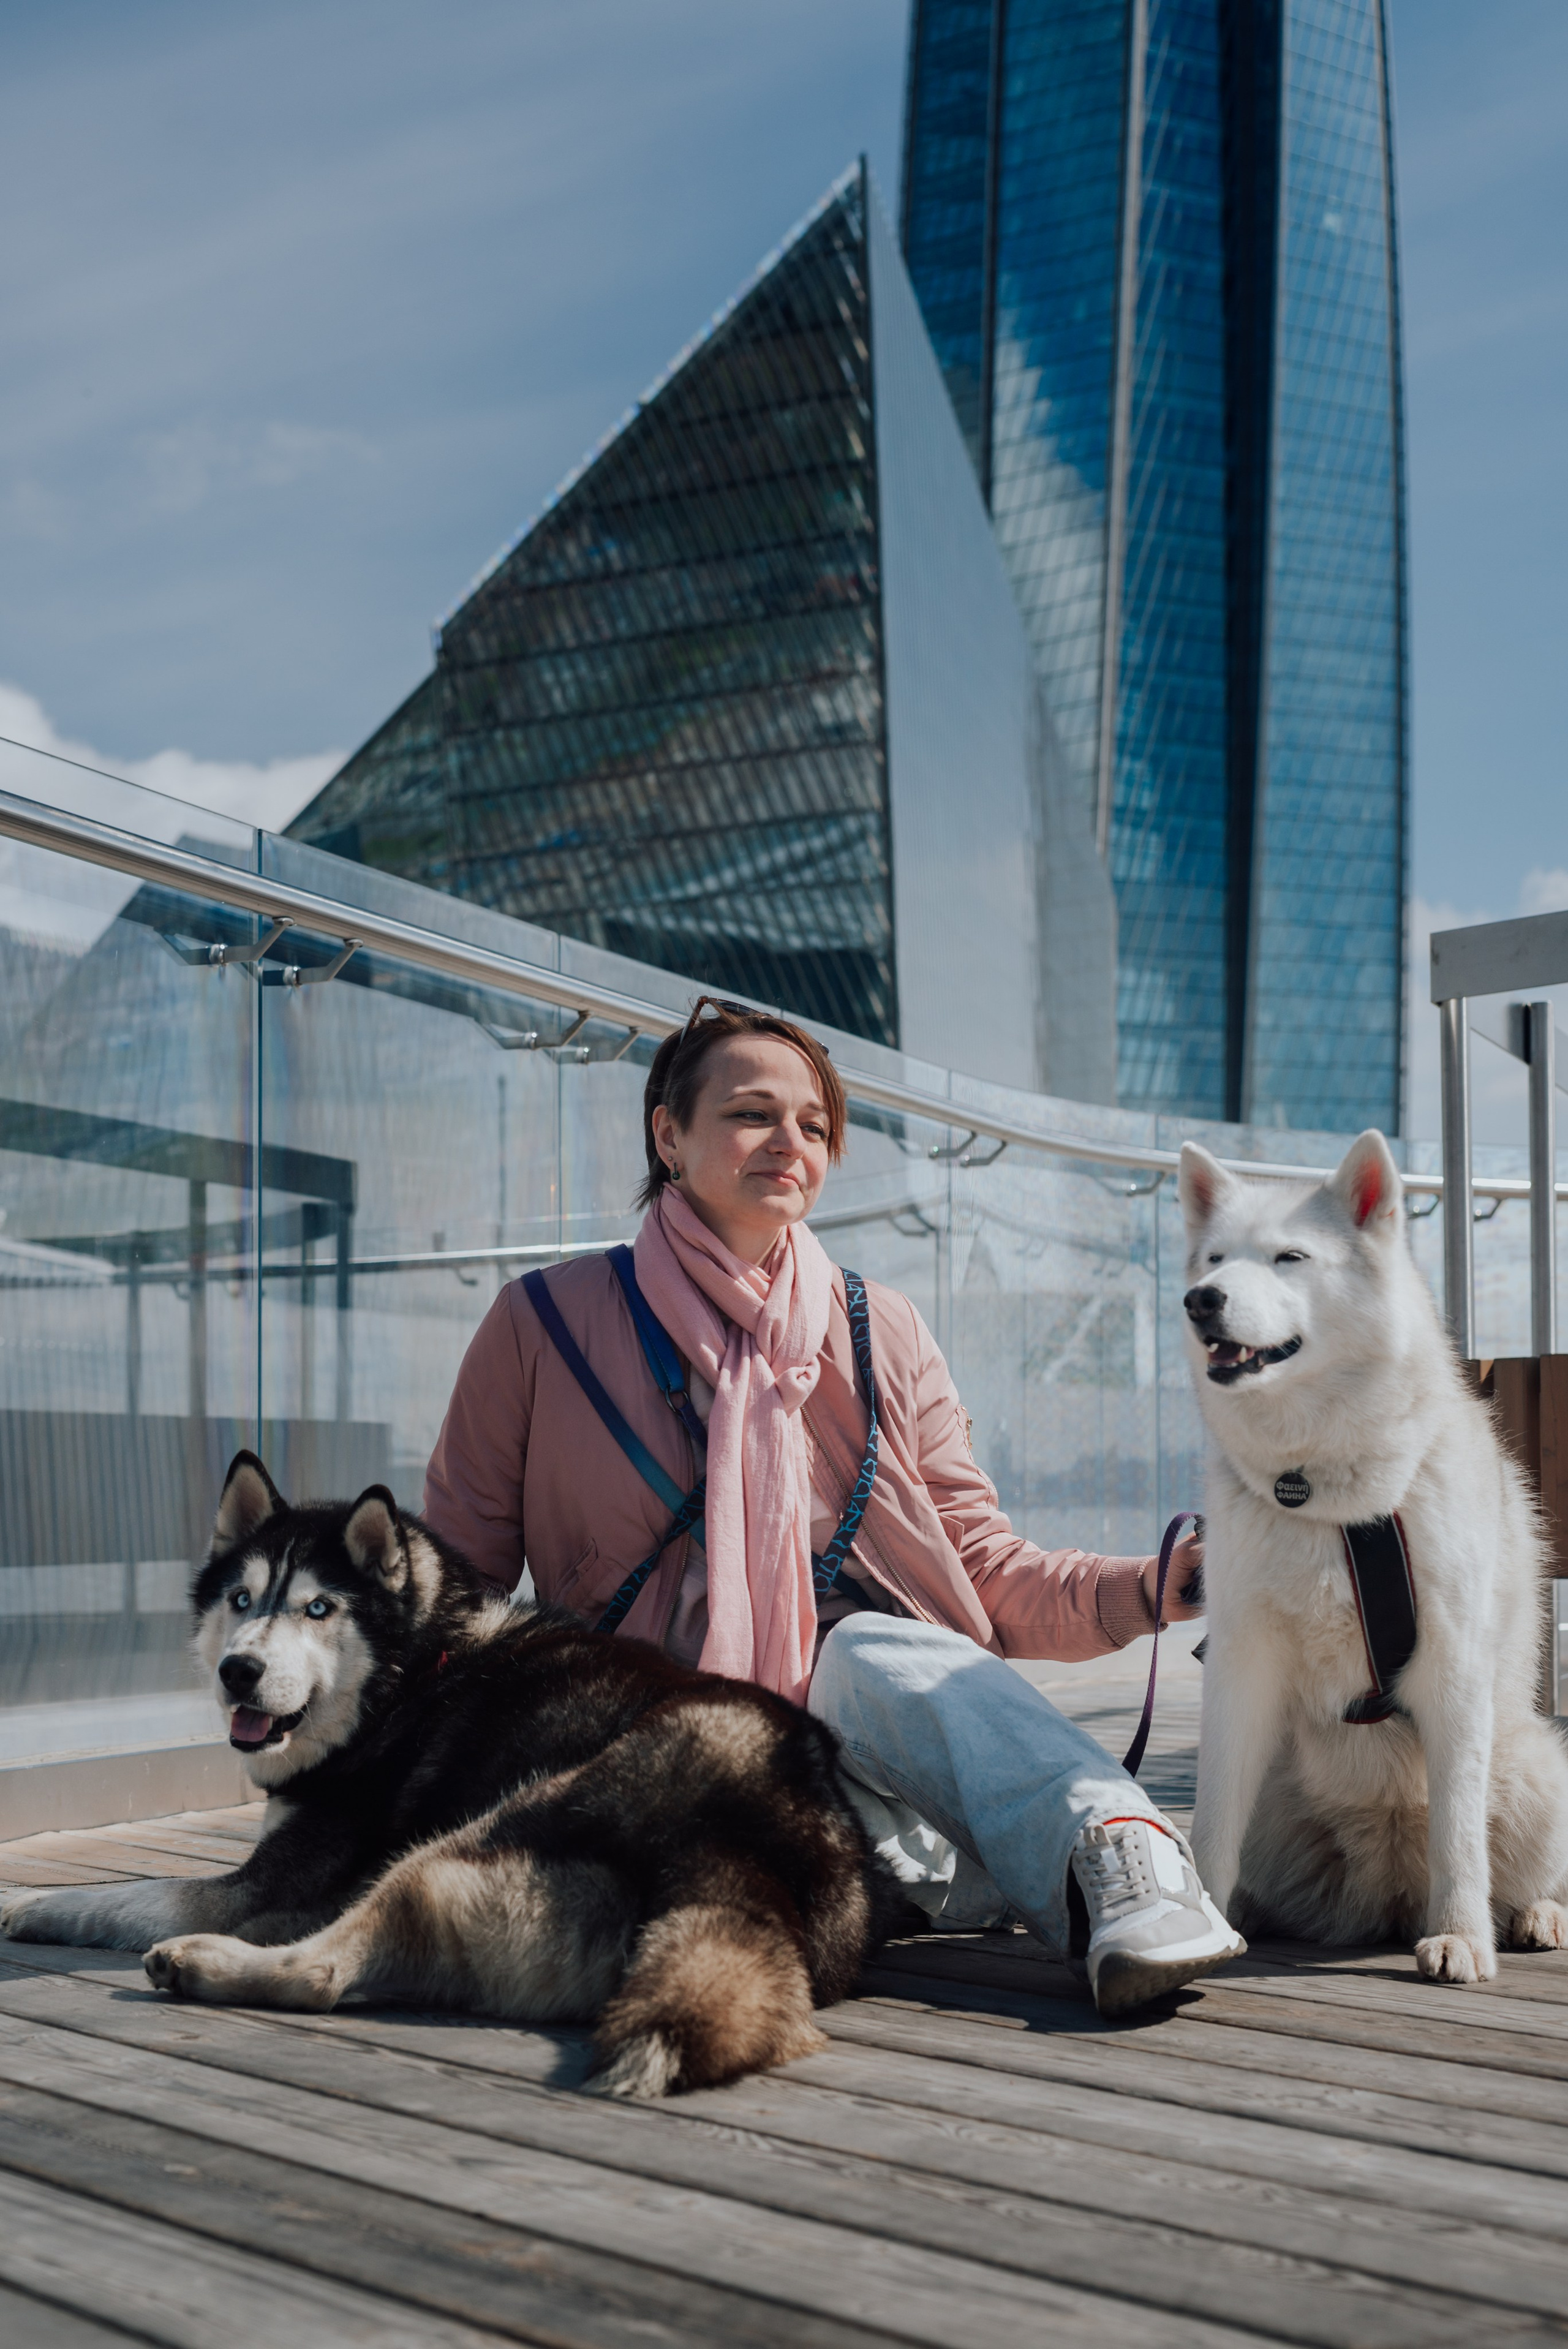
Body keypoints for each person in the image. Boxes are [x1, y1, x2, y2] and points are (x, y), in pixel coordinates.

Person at [423, 997, 1243, 2014]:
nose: (791, 1142)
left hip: (882, 1812)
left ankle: (1128, 1863)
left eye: (814, 1126)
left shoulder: (879, 1332)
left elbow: (981, 1571)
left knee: (861, 1655)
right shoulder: (542, 1324)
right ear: (668, 1134)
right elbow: (447, 1596)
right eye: (752, 1114)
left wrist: (1149, 1590)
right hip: (651, 1795)